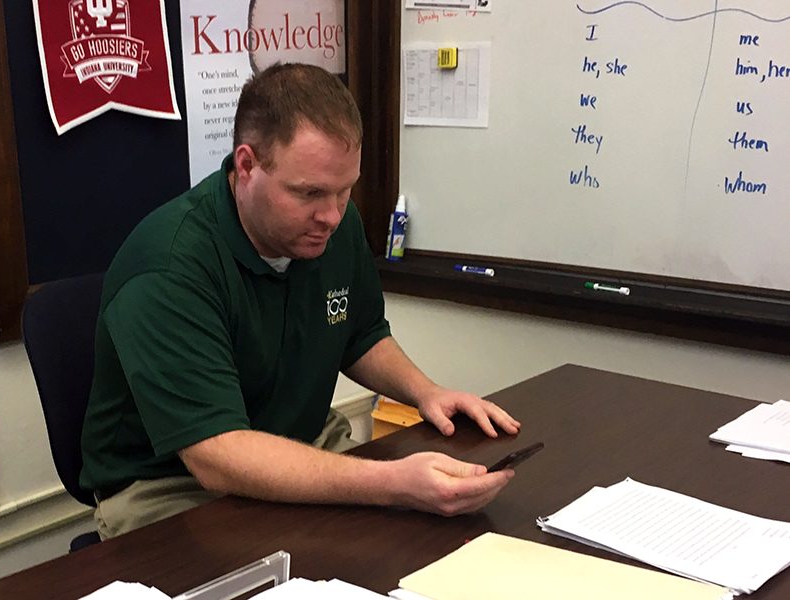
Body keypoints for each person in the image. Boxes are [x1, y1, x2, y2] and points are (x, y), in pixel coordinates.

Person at [80, 63, 521, 539]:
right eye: (308, 193)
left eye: (344, 189)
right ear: (246, 165)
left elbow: (361, 334)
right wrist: (393, 483)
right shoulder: (168, 266)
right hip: (173, 484)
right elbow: (217, 457)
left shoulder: (331, 224)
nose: (331, 216)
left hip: (299, 440)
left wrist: (426, 393)